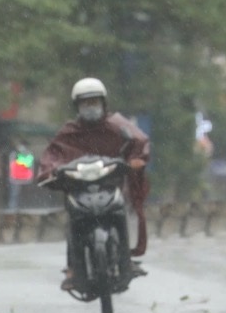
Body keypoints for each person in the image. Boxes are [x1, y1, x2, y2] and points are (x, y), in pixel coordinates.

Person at [38, 77, 150, 292]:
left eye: (94, 103)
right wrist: (51, 171)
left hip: (110, 186)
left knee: (123, 213)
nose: (91, 108)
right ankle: (73, 268)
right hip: (78, 189)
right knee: (73, 222)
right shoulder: (68, 133)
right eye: (85, 104)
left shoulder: (118, 125)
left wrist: (135, 160)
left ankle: (126, 259)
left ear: (104, 104)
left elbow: (139, 142)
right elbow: (52, 156)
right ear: (77, 107)